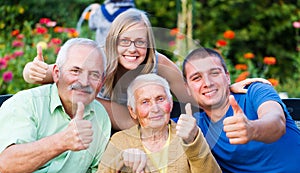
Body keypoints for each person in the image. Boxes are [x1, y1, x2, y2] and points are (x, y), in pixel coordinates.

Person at [23, 9, 268, 131]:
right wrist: (33, 71)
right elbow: (46, 72)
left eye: (140, 41)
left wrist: (227, 87)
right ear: (114, 41)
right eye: (125, 41)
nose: (133, 48)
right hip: (91, 130)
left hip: (134, 131)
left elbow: (187, 92)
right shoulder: (98, 60)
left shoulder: (157, 62)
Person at [0, 38, 111, 173]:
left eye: (94, 75)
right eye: (75, 71)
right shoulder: (25, 103)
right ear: (57, 74)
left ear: (101, 82)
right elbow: (7, 165)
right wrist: (62, 141)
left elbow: (98, 171)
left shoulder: (100, 117)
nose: (84, 82)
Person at [182, 47, 300, 173]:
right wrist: (142, 51)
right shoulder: (195, 126)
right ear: (187, 89)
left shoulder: (255, 92)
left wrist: (252, 129)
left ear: (227, 77)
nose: (207, 82)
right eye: (196, 78)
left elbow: (276, 121)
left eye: (214, 73)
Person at [88, 73, 223, 173]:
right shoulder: (120, 141)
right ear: (132, 111)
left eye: (160, 99)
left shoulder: (189, 133)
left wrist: (194, 141)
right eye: (145, 102)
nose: (155, 108)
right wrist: (118, 164)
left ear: (170, 104)